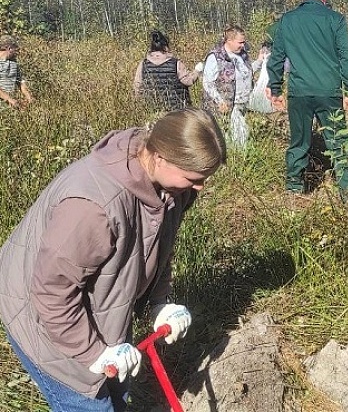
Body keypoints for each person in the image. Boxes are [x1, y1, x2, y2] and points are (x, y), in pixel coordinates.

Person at [0, 108, 226, 411]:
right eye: (194, 178)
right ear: (160, 157)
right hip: (42, 315)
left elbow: (160, 246)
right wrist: (95, 354)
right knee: (92, 404)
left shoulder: (174, 188)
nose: (200, 187)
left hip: (96, 303)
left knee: (118, 396)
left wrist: (159, 303)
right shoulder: (93, 207)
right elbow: (51, 292)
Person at [266, 0, 348, 196]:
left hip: (299, 92)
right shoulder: (336, 19)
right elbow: (346, 56)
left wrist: (276, 88)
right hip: (330, 91)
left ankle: (294, 188)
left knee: (299, 141)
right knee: (338, 141)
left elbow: (276, 57)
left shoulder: (288, 20)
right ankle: (347, 191)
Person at [201, 24, 266, 148]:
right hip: (226, 107)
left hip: (242, 105)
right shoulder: (216, 57)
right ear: (229, 40)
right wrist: (220, 101)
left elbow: (246, 73)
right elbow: (208, 83)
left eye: (243, 42)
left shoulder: (242, 55)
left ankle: (239, 156)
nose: (243, 45)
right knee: (228, 140)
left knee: (241, 137)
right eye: (240, 42)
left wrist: (259, 61)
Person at [133, 29, 202, 111]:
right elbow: (188, 81)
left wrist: (141, 104)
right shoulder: (175, 63)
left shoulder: (143, 64)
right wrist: (197, 70)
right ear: (166, 46)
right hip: (176, 110)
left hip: (153, 109)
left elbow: (137, 86)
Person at [0, 34, 34, 109]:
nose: (17, 51)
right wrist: (9, 99)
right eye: (15, 49)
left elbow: (20, 81)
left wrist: (28, 97)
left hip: (10, 105)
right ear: (9, 48)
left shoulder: (14, 62)